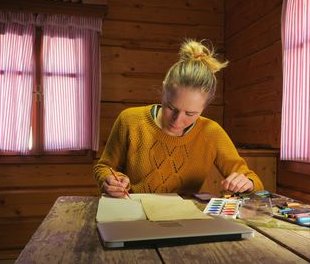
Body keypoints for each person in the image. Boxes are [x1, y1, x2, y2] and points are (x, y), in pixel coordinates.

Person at [94, 39, 264, 198]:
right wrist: (109, 179)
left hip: (183, 222)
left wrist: (246, 183)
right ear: (163, 91)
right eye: (170, 107)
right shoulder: (130, 120)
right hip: (130, 214)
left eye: (190, 114)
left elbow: (254, 181)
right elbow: (104, 167)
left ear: (204, 107)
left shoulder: (211, 133)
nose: (176, 121)